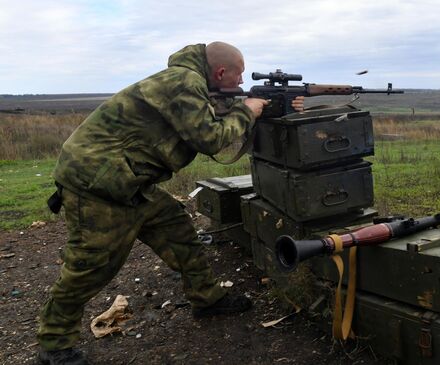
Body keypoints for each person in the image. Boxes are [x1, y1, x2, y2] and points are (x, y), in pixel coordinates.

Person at [37, 41, 304, 365]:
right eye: (239, 76)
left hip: (130, 181)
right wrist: (248, 110)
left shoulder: (192, 86)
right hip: (97, 184)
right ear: (220, 72)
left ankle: (208, 298)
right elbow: (211, 138)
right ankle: (54, 345)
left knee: (178, 232)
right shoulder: (184, 82)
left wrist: (279, 106)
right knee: (88, 268)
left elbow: (216, 118)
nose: (241, 83)